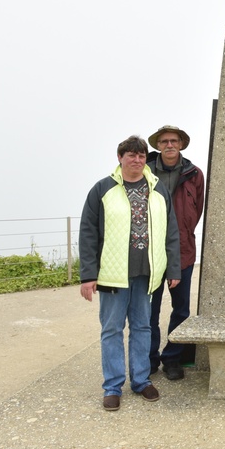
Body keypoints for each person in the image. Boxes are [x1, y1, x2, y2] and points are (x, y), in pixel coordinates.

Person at [79, 135, 181, 411]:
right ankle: (112, 386)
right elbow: (88, 233)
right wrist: (88, 275)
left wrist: (173, 268)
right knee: (111, 329)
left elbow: (171, 233)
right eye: (130, 155)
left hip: (146, 273)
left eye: (140, 155)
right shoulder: (103, 190)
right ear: (120, 158)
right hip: (113, 275)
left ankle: (141, 380)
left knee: (142, 327)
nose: (136, 160)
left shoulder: (158, 191)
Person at [146, 124, 205, 381]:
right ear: (158, 145)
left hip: (183, 251)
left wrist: (183, 232)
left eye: (174, 141)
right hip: (149, 253)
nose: (169, 145)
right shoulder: (145, 171)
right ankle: (148, 359)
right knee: (149, 309)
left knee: (181, 309)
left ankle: (173, 358)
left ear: (181, 144)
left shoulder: (194, 174)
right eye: (164, 141)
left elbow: (198, 210)